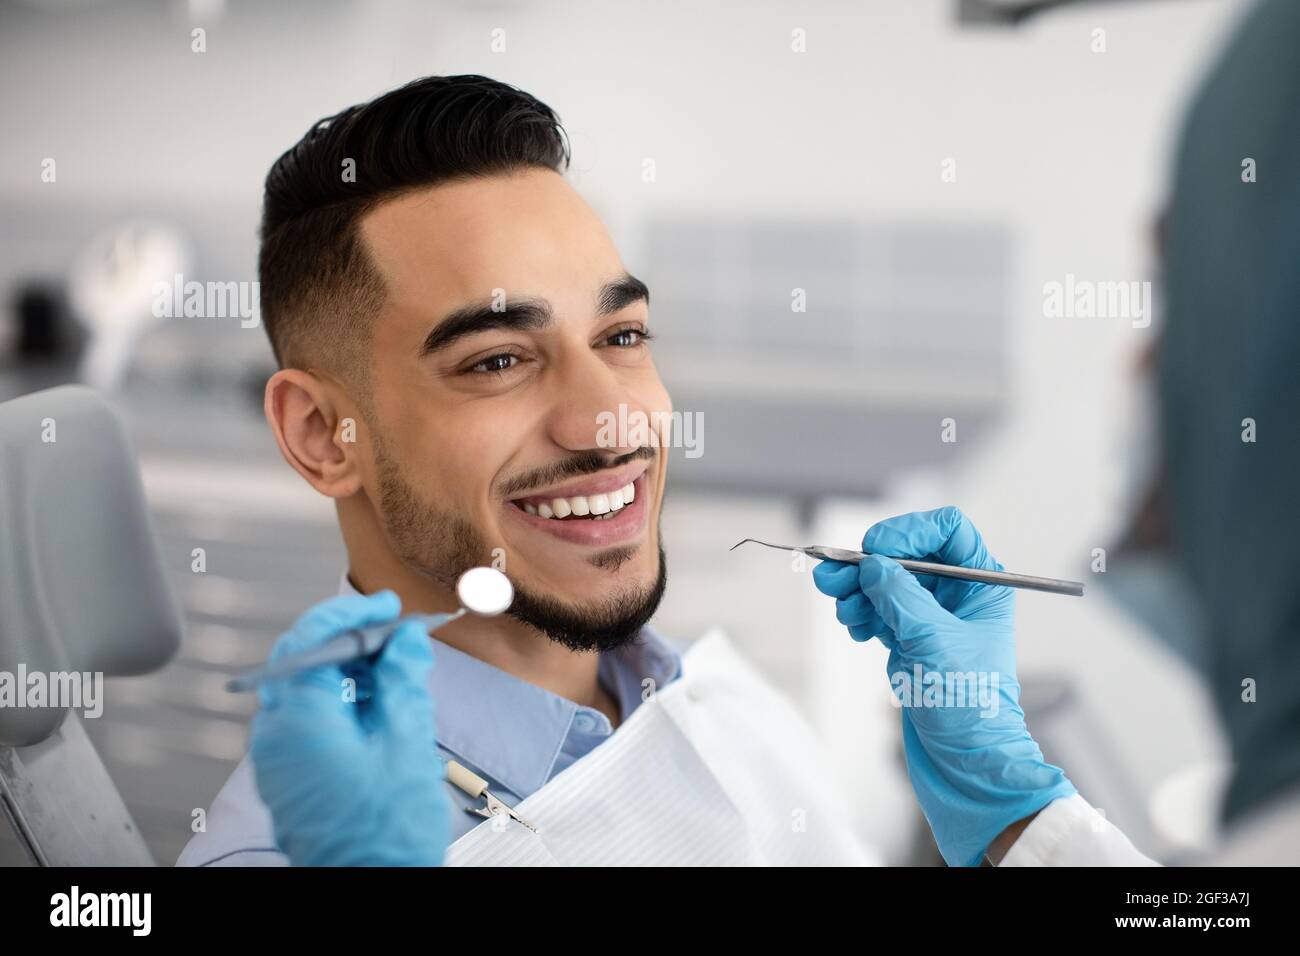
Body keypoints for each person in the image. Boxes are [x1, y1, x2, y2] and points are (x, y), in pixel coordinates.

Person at [180, 0, 1298, 867]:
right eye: (498, 359)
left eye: (621, 334)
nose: (606, 416)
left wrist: (1017, 814)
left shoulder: (704, 704)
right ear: (323, 432)